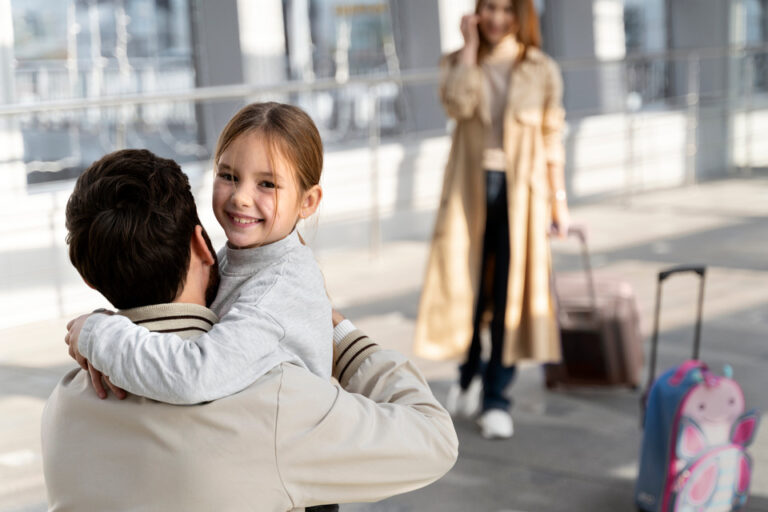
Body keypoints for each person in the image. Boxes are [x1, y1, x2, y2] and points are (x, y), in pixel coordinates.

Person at [42, 149, 458, 511]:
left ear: (90, 281)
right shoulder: (276, 401)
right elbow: (434, 439)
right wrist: (342, 336)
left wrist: (96, 330)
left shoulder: (64, 405)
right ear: (202, 245)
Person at [65, 102, 335, 405]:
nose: (241, 197)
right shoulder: (237, 260)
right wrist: (119, 324)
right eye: (229, 176)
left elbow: (194, 376)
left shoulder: (279, 290)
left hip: (290, 442)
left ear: (308, 202)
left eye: (267, 184)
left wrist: (100, 335)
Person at [414, 0, 569, 439]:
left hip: (524, 196)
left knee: (509, 297)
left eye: (506, 8)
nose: (498, 18)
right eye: (489, 8)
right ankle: (467, 374)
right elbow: (459, 107)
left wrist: (559, 204)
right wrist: (467, 49)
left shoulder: (540, 68)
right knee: (467, 290)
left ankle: (497, 397)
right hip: (470, 191)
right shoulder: (457, 62)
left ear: (521, 14)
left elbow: (552, 137)